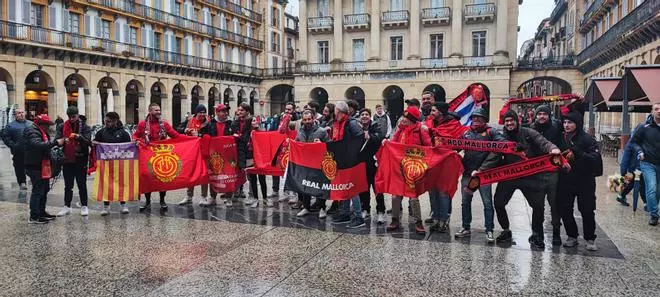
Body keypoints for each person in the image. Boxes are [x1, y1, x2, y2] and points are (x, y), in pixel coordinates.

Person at [477, 110, 561, 249]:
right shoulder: (501, 136)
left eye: (512, 120)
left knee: (538, 206)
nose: (509, 123)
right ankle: (506, 230)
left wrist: (553, 149)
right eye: (507, 121)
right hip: (508, 176)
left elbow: (543, 142)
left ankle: (537, 234)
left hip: (529, 176)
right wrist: (481, 171)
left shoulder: (529, 133)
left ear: (517, 121)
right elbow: (494, 155)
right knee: (499, 203)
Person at [454, 108, 506, 243]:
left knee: (487, 203)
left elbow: (501, 144)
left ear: (484, 120)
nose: (476, 121)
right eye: (474, 118)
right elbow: (455, 146)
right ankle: (466, 227)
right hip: (468, 174)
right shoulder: (466, 133)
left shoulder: (491, 132)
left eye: (479, 118)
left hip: (484, 175)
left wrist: (483, 168)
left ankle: (489, 229)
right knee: (465, 202)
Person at [558, 111, 602, 251]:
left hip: (585, 181)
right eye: (564, 122)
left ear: (577, 124)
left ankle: (590, 238)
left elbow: (595, 159)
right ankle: (572, 235)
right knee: (565, 208)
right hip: (566, 179)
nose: (566, 125)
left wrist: (578, 152)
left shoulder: (587, 139)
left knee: (587, 209)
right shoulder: (560, 138)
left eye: (570, 122)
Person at [386, 106, 432, 234]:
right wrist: (397, 131)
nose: (403, 119)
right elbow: (393, 144)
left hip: (414, 167)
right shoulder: (400, 129)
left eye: (405, 118)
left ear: (411, 119)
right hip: (399, 167)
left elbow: (428, 148)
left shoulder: (420, 130)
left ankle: (418, 221)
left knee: (413, 197)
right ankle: (395, 219)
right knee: (395, 195)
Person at [133, 103, 181, 211]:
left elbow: (176, 136)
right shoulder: (142, 124)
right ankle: (147, 201)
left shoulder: (164, 124)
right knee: (147, 178)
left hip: (161, 156)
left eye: (159, 110)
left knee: (162, 178)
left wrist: (190, 139)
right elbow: (135, 135)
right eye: (156, 110)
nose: (158, 112)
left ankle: (162, 200)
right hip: (147, 156)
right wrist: (135, 140)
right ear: (149, 111)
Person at [425, 102, 465, 231]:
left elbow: (459, 142)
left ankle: (444, 219)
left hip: (447, 163)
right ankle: (436, 217)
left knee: (443, 191)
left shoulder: (453, 124)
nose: (431, 113)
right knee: (432, 189)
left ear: (441, 112)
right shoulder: (429, 123)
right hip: (431, 161)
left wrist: (453, 151)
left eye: (434, 110)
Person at [530, 104, 564, 246]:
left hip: (552, 172)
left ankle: (556, 232)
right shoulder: (531, 129)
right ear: (535, 116)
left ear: (549, 115)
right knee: (537, 205)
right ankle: (537, 233)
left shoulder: (556, 129)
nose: (542, 116)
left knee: (554, 203)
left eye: (544, 114)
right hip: (536, 172)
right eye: (539, 114)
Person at [330, 101, 366, 228]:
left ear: (339, 111)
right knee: (343, 187)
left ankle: (358, 217)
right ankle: (345, 213)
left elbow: (360, 138)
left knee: (352, 189)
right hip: (341, 160)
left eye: (335, 110)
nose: (334, 113)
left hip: (351, 161)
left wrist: (351, 154)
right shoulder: (338, 124)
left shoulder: (351, 123)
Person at [24, 114, 64, 223]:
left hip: (43, 165)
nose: (48, 127)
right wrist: (55, 142)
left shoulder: (41, 131)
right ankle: (34, 216)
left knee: (44, 189)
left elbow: (45, 145)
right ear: (41, 124)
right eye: (47, 125)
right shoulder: (32, 131)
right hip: (34, 165)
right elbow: (37, 145)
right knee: (38, 190)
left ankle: (42, 212)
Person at [55, 106, 92, 217]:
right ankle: (67, 206)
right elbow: (57, 139)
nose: (72, 119)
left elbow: (88, 142)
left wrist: (78, 137)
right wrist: (62, 141)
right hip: (67, 159)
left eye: (74, 117)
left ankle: (84, 205)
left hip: (81, 158)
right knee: (68, 184)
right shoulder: (62, 126)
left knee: (82, 184)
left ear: (77, 115)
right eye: (70, 117)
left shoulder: (85, 127)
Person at [94, 112, 132, 215]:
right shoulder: (101, 132)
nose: (106, 123)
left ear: (115, 121)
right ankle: (106, 206)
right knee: (105, 183)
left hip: (120, 164)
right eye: (105, 121)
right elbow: (95, 143)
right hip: (105, 164)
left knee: (121, 184)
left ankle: (123, 205)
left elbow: (129, 146)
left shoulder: (124, 133)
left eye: (108, 121)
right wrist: (95, 143)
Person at [295, 109, 330, 218]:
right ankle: (306, 207)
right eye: (305, 120)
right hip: (305, 163)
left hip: (318, 164)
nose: (307, 121)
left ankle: (322, 208)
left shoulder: (321, 131)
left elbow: (329, 146)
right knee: (305, 185)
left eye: (309, 119)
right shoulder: (300, 131)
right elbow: (296, 142)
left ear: (313, 118)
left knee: (320, 187)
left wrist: (321, 144)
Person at [630, 102, 660, 226]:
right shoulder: (644, 127)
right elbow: (633, 142)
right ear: (652, 111)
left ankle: (652, 206)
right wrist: (640, 151)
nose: (659, 111)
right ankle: (654, 214)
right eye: (656, 109)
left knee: (657, 191)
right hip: (647, 163)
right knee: (651, 188)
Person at [198, 104, 234, 206]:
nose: (225, 113)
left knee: (229, 175)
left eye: (226, 111)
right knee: (213, 176)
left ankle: (229, 197)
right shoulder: (210, 124)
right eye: (223, 111)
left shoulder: (231, 123)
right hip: (214, 154)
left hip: (228, 153)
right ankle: (212, 197)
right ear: (217, 112)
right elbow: (203, 135)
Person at [176, 104, 211, 206]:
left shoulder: (208, 123)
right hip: (192, 151)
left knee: (204, 174)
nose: (202, 114)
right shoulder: (190, 121)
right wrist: (184, 130)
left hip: (204, 151)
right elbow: (178, 128)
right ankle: (189, 196)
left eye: (204, 112)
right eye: (200, 112)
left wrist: (199, 135)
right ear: (196, 112)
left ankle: (204, 197)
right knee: (191, 173)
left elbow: (211, 135)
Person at [357, 108, 385, 223]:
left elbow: (379, 138)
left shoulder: (375, 126)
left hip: (374, 162)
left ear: (370, 116)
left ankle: (380, 211)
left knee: (377, 187)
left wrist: (371, 137)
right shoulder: (357, 127)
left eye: (366, 114)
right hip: (362, 162)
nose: (364, 116)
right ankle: (365, 208)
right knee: (364, 187)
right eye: (362, 114)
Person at [618, 115, 651, 207]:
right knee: (641, 184)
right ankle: (645, 203)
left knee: (633, 183)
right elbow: (625, 157)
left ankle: (621, 195)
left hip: (638, 167)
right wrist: (623, 171)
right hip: (635, 168)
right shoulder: (632, 143)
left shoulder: (641, 142)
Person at [1, 108, 31, 191]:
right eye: (19, 113)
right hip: (18, 151)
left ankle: (32, 179)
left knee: (31, 166)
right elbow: (6, 137)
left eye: (22, 112)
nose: (21, 114)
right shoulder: (10, 126)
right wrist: (13, 145)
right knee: (19, 167)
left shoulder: (30, 124)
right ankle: (22, 182)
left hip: (30, 151)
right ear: (15, 115)